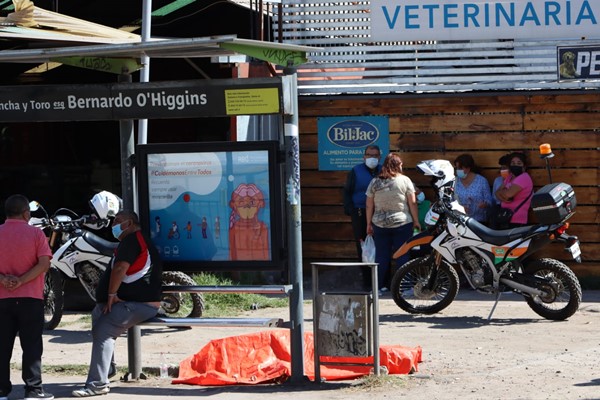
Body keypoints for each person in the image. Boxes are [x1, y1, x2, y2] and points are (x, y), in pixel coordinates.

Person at [72, 210, 162, 397]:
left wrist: (111, 294)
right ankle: (108, 369)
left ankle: (97, 384)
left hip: (140, 304)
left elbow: (121, 268)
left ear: (129, 223)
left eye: (118, 221)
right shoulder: (132, 240)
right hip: (134, 302)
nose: (114, 224)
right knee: (98, 313)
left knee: (104, 329)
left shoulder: (132, 239)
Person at [0, 194, 54, 400]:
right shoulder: (36, 234)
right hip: (30, 298)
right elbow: (44, 264)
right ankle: (33, 390)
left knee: (2, 345)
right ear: (26, 213)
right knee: (31, 345)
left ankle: (1, 390)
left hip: (1, 299)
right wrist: (21, 281)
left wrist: (4, 280)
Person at [366, 153, 421, 294]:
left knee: (381, 256)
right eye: (401, 164)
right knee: (403, 255)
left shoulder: (374, 182)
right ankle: (404, 287)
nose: (402, 166)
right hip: (402, 223)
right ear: (397, 165)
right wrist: (416, 221)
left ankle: (377, 287)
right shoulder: (405, 180)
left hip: (379, 224)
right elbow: (412, 203)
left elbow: (369, 205)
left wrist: (368, 224)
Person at [343, 145, 382, 261]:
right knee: (363, 246)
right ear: (364, 157)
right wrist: (351, 210)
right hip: (360, 213)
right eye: (369, 155)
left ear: (379, 157)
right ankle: (367, 277)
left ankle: (381, 277)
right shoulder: (356, 171)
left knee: (380, 245)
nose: (372, 158)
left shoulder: (384, 170)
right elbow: (347, 191)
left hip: (380, 213)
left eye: (375, 155)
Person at [495, 152, 534, 227]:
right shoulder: (510, 177)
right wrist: (503, 195)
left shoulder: (524, 178)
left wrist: (502, 194)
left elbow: (508, 194)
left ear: (524, 167)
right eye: (513, 163)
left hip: (517, 220)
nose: (515, 165)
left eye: (519, 163)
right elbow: (496, 192)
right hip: (505, 218)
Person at [453, 153, 493, 223]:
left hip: (479, 221)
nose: (457, 170)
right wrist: (460, 208)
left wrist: (484, 204)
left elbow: (489, 200)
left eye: (460, 168)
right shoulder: (454, 181)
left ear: (468, 168)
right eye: (456, 168)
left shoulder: (481, 181)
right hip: (460, 220)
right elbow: (450, 201)